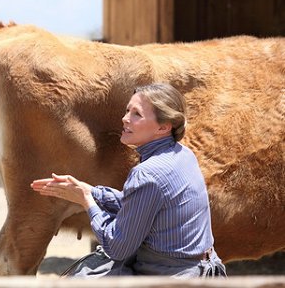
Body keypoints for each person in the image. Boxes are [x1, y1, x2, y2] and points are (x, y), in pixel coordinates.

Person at [31, 83, 227, 278]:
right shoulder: (183, 155)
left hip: (171, 278)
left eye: (137, 114)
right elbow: (139, 205)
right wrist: (92, 192)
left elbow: (117, 247)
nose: (125, 119)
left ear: (163, 127)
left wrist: (87, 202)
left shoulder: (147, 174)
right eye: (127, 111)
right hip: (202, 270)